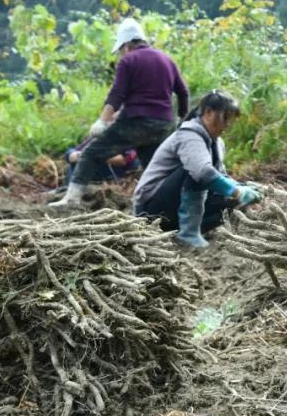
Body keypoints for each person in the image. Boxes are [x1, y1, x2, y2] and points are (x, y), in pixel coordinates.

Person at [50, 17, 189, 207]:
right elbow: (183, 92)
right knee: (154, 167)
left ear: (126, 45)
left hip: (135, 121)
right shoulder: (167, 60)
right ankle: (166, 204)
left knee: (91, 153)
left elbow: (117, 94)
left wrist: (102, 121)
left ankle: (72, 199)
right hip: (163, 124)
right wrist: (182, 120)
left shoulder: (128, 61)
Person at [132, 90, 261, 248]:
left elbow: (220, 176)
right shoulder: (189, 135)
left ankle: (187, 233)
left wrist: (241, 189)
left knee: (231, 198)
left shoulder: (217, 142)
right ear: (208, 113)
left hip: (174, 213)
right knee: (198, 173)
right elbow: (202, 172)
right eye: (225, 118)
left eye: (230, 120)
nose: (227, 124)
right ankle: (188, 234)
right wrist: (237, 191)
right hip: (150, 210)